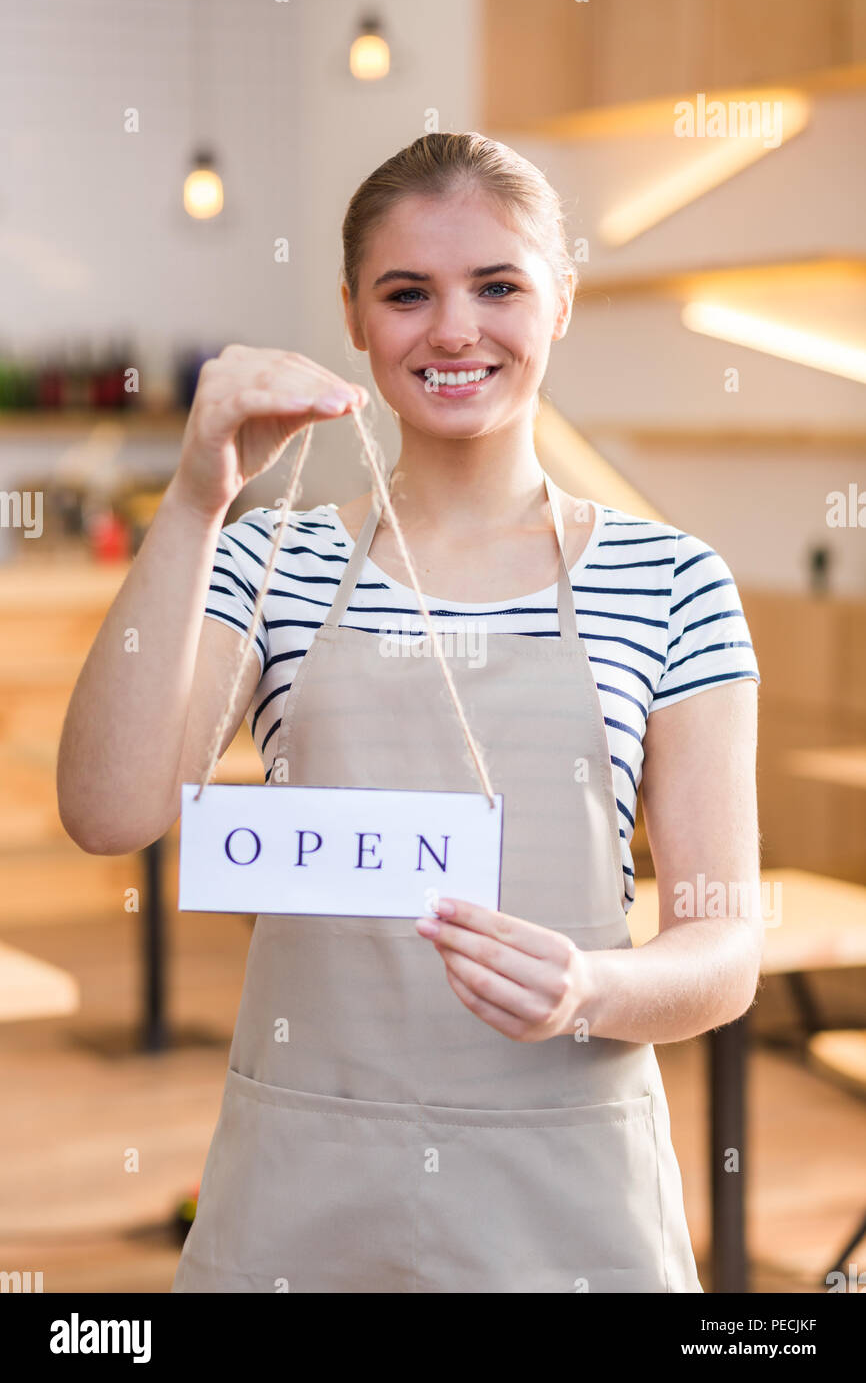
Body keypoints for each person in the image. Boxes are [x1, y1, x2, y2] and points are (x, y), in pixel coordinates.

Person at [58, 132, 763, 1293]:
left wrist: (590, 988)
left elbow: (724, 944)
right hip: (302, 1174)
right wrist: (195, 500)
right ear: (351, 313)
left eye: (497, 286)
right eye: (406, 293)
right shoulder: (264, 556)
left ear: (560, 299)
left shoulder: (672, 580)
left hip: (566, 1190)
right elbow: (104, 810)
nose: (451, 331)